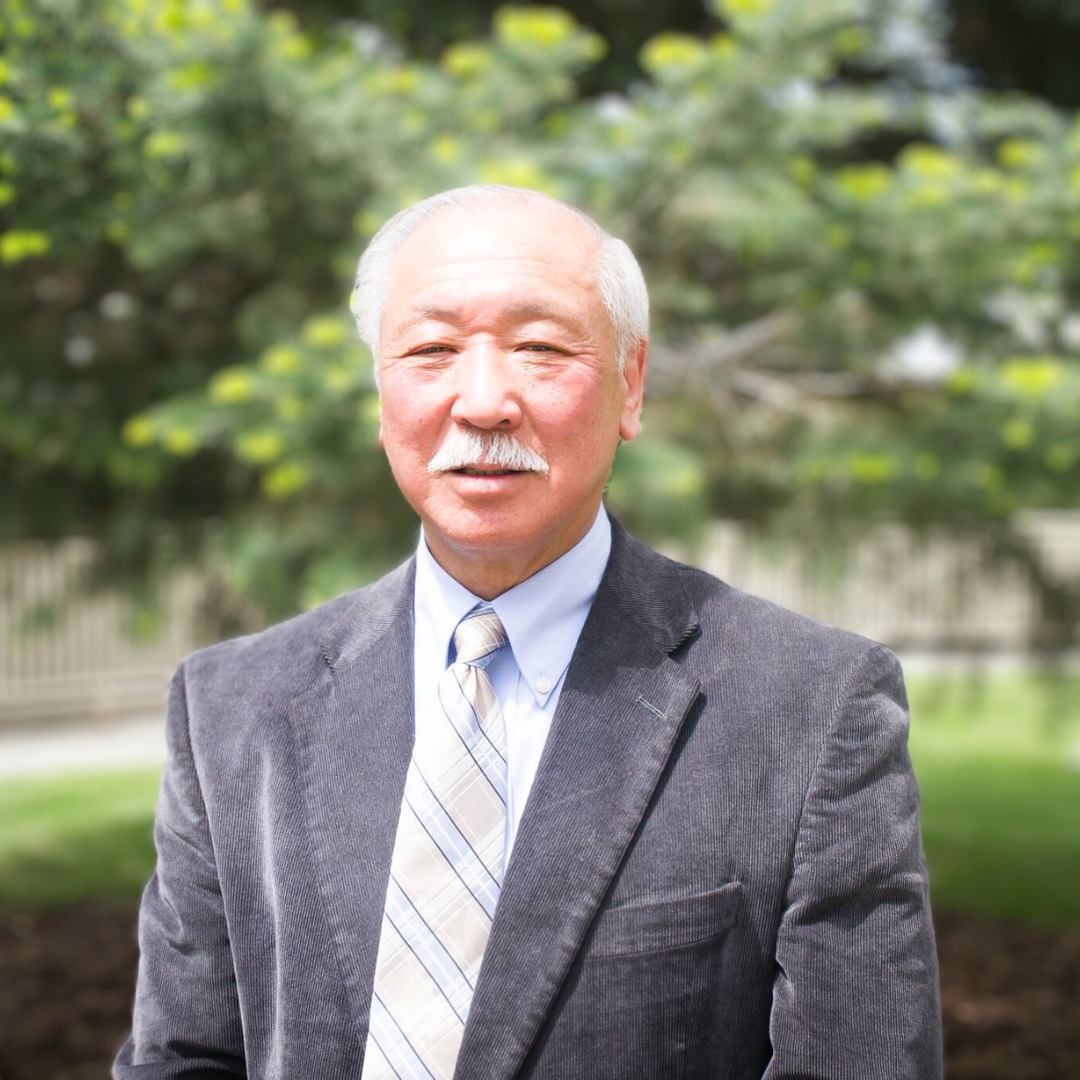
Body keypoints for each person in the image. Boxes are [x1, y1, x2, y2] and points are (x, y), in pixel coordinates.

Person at [115, 185, 942, 1079]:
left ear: (630, 384)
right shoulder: (231, 708)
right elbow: (182, 1058)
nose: (483, 402)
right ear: (381, 392)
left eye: (540, 348)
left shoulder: (811, 707)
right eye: (431, 350)